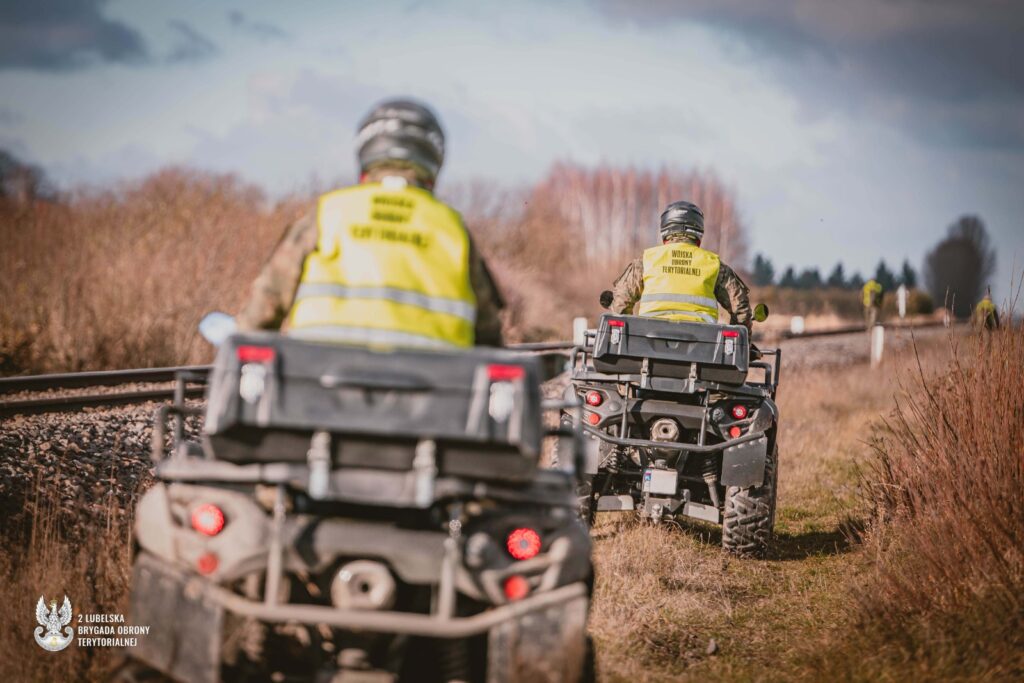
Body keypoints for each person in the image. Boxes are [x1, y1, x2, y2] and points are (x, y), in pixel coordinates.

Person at [237, 98, 504, 348]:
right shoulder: (453, 230)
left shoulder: (328, 214)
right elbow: (488, 333)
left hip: (318, 384)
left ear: (365, 157)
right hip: (433, 390)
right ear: (433, 162)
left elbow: (265, 305)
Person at [607, 200, 751, 328]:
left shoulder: (646, 261)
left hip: (648, 341)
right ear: (698, 238)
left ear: (664, 236)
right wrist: (741, 344)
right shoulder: (714, 264)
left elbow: (621, 303)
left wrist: (627, 337)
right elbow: (741, 309)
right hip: (703, 348)